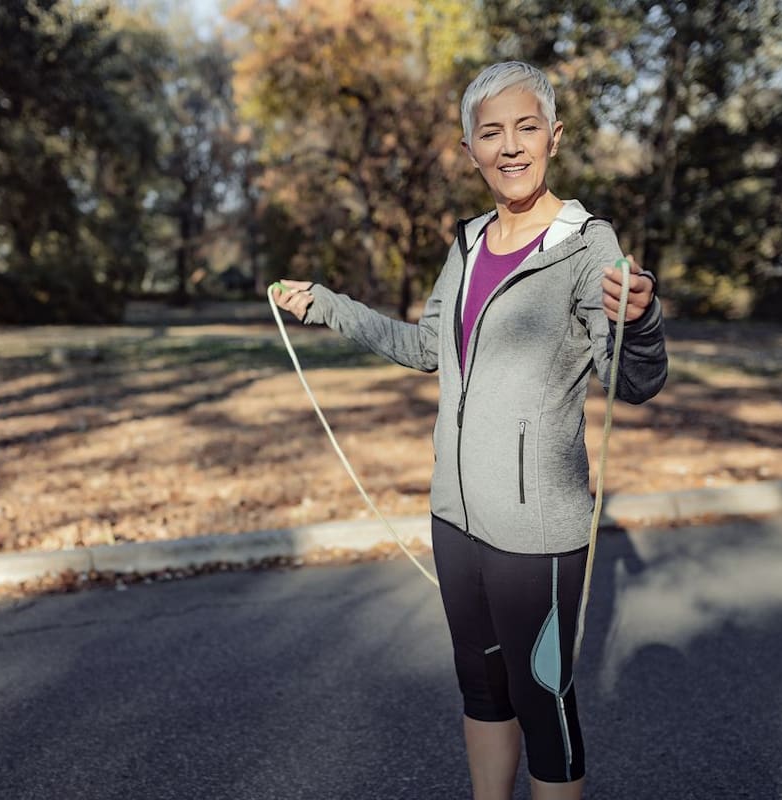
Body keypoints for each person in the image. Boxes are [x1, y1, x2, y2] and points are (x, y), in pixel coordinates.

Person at [272, 61, 668, 799]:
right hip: (454, 516)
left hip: (536, 529)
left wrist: (640, 320)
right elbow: (428, 348)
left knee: (542, 703)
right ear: (469, 148)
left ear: (554, 138)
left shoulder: (589, 247)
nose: (510, 147)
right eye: (492, 132)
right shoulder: (468, 243)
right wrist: (329, 306)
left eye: (526, 129)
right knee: (481, 691)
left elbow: (635, 384)